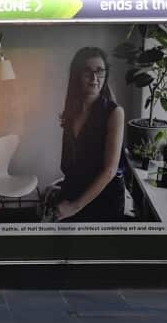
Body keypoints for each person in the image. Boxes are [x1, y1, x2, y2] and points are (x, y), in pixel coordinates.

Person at [54, 46, 127, 222]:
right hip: (75, 191)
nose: (95, 78)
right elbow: (71, 162)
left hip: (104, 198)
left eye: (100, 71)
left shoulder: (115, 112)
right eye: (87, 72)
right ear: (77, 75)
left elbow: (110, 170)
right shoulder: (72, 110)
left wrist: (74, 206)